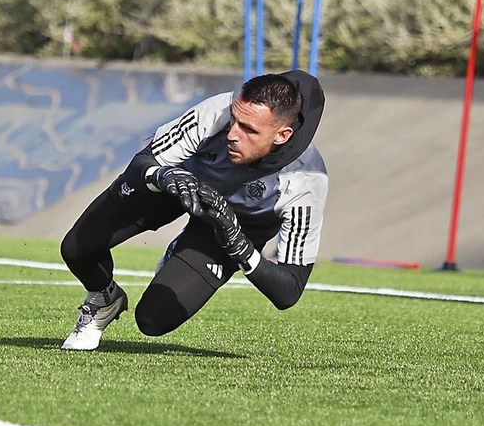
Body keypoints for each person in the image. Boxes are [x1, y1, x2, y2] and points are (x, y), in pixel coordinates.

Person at [58, 70, 328, 351]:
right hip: (181, 185)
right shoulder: (219, 109)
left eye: (249, 130)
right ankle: (104, 300)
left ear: (282, 135)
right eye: (235, 120)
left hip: (234, 228)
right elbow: (142, 163)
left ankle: (185, 249)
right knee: (77, 248)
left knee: (152, 320)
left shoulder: (307, 180)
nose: (233, 134)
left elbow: (288, 290)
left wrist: (240, 248)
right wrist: (164, 177)